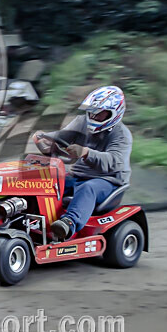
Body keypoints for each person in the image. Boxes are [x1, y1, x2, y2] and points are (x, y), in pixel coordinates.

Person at [32, 86, 132, 241]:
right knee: (49, 181)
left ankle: (68, 224)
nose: (94, 115)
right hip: (78, 175)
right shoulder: (82, 122)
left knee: (88, 188)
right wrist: (45, 138)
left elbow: (113, 162)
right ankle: (31, 216)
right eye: (92, 111)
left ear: (114, 113)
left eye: (99, 112)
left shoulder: (122, 135)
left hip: (108, 181)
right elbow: (63, 136)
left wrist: (86, 152)